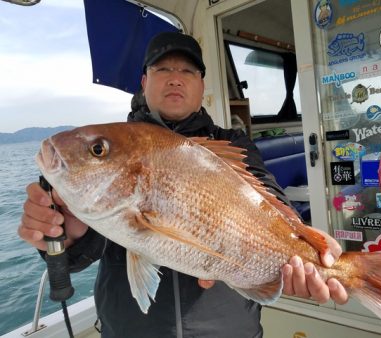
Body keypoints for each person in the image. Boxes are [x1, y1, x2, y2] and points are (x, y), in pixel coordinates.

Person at [19, 32, 348, 338]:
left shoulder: (232, 143)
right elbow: (73, 256)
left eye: (188, 71)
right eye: (163, 69)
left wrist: (304, 243)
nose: (175, 78)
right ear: (144, 82)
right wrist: (68, 235)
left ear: (201, 85)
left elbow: (268, 199)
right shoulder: (108, 158)